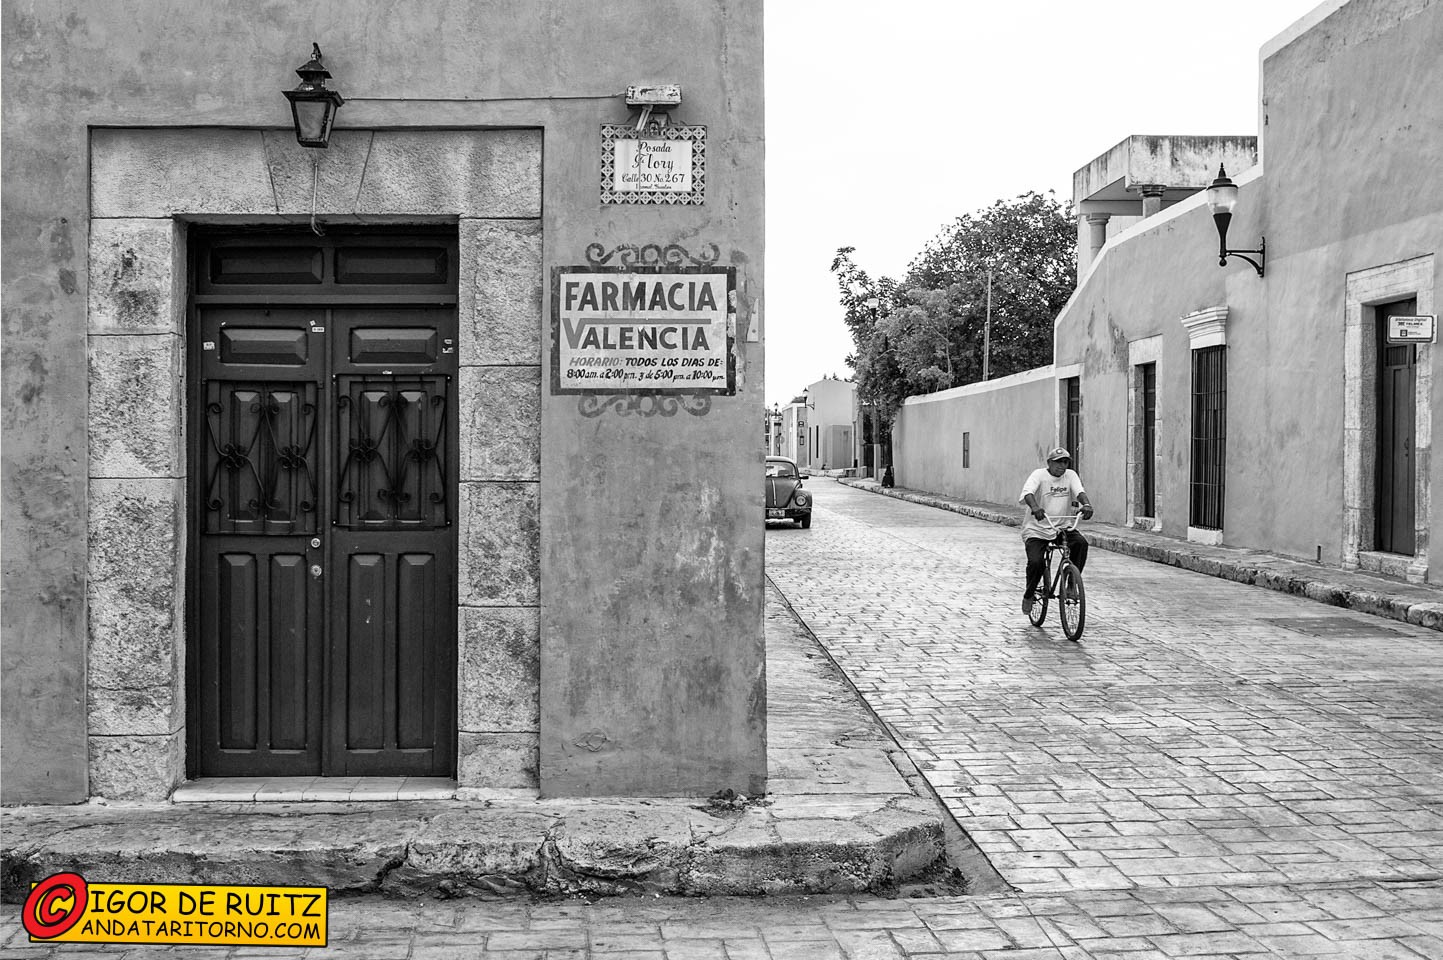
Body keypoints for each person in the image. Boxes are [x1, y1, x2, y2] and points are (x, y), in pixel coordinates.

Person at [1019, 447, 1093, 615]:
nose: (1062, 466)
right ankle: (1029, 594)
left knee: (1080, 544)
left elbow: (1079, 491)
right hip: (1037, 529)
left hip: (1061, 526)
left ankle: (1071, 584)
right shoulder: (1039, 475)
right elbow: (1028, 493)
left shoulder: (1070, 475)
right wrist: (1035, 507)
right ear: (1049, 463)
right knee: (1036, 563)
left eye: (1065, 462)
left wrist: (1086, 504)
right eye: (1058, 462)